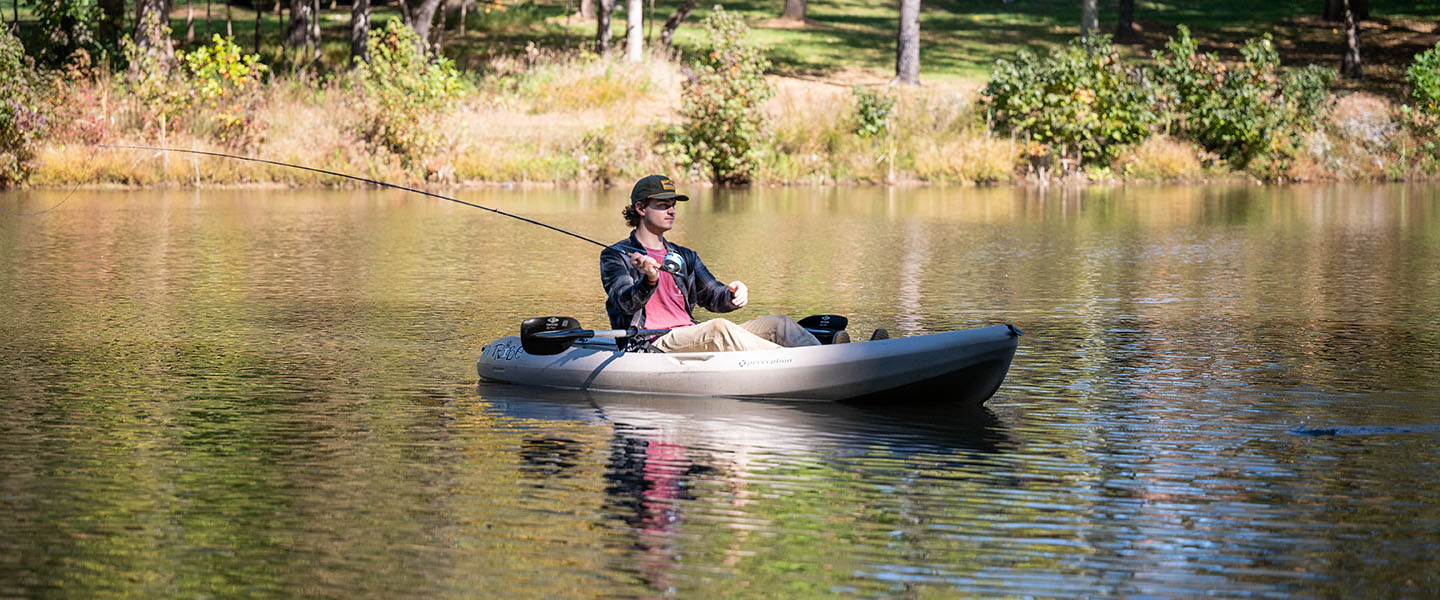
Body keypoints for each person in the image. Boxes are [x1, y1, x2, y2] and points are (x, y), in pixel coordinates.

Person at [600, 175, 822, 353]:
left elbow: (714, 296)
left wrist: (732, 294)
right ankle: (797, 365)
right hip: (651, 343)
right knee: (718, 327)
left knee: (779, 324)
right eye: (663, 205)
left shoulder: (685, 256)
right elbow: (623, 303)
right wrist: (649, 280)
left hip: (690, 334)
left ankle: (827, 355)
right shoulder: (616, 256)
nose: (672, 211)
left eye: (673, 205)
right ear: (641, 208)